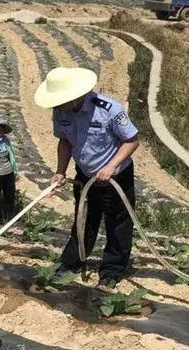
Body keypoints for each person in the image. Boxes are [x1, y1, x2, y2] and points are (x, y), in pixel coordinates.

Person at [34, 67, 140, 288]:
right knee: (83, 220)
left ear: (74, 96)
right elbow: (64, 141)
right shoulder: (61, 111)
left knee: (118, 224)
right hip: (85, 175)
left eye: (61, 101)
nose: (58, 107)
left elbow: (132, 140)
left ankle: (112, 270)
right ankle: (72, 262)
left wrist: (111, 166)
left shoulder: (109, 109)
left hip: (116, 177)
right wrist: (60, 171)